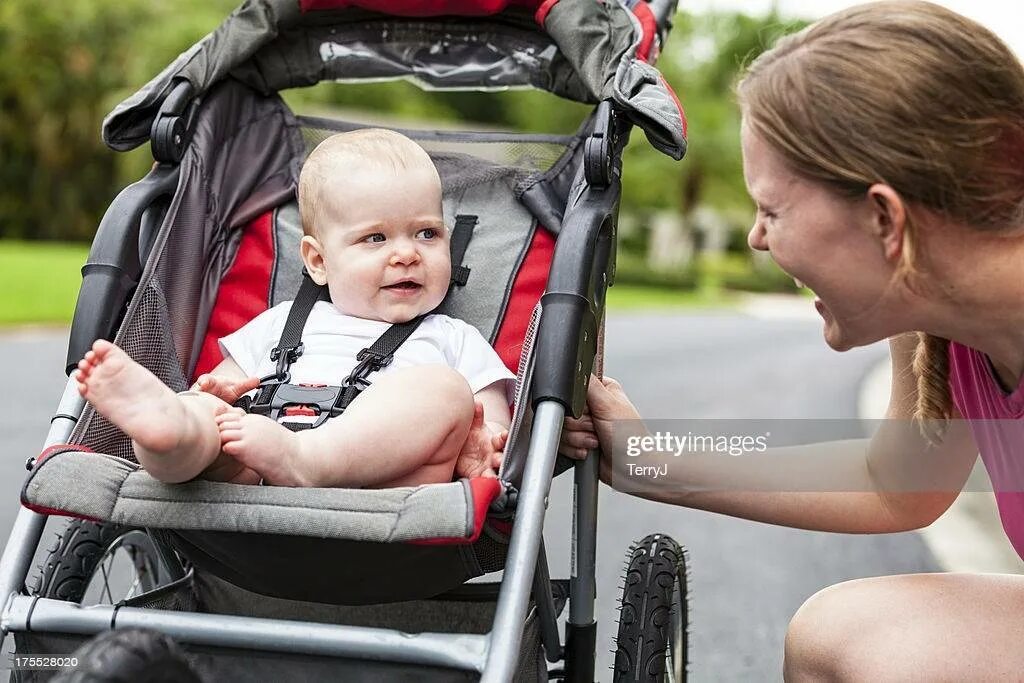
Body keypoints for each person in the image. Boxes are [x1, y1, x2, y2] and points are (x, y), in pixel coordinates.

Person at [562, 1, 1024, 680]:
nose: (756, 237)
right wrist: (651, 456)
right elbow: (896, 484)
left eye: (772, 210)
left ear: (884, 218)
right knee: (841, 637)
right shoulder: (941, 327)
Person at [74, 129, 514, 489]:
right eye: (376, 239)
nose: (407, 255)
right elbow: (230, 384)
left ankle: (309, 460)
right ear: (319, 262)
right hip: (254, 471)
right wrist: (213, 397)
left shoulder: (453, 337)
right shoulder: (281, 323)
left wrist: (484, 441)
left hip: (380, 491)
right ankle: (168, 436)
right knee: (204, 411)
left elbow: (492, 424)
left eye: (427, 234)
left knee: (445, 390)